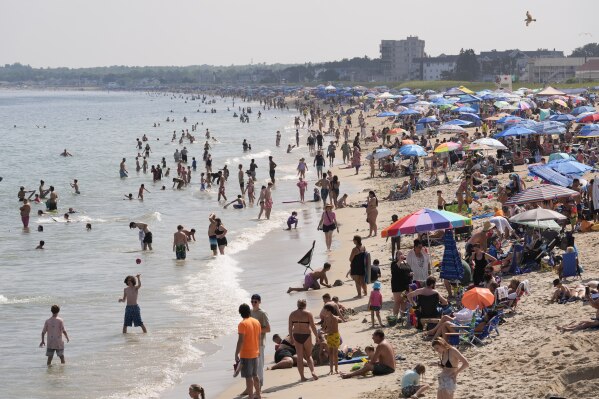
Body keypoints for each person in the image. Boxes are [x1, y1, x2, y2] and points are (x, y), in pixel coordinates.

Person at [235, 303, 262, 399]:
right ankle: (258, 394)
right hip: (255, 352)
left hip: (246, 354)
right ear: (249, 311)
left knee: (248, 377)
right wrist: (258, 350)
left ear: (240, 313)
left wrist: (236, 353)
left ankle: (250, 396)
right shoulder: (256, 322)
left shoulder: (242, 324)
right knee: (255, 375)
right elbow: (259, 338)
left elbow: (240, 340)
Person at [288, 299, 319, 381]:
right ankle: (313, 372)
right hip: (306, 335)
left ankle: (302, 377)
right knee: (309, 356)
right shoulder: (308, 313)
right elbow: (313, 326)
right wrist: (317, 336)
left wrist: (291, 338)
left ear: (297, 305)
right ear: (305, 305)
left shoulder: (292, 314)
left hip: (296, 335)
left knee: (299, 357)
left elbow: (290, 328)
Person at [250, 294, 270, 389]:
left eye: (255, 301)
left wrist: (256, 330)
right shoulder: (250, 312)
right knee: (252, 366)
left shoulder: (262, 313)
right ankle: (253, 387)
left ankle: (260, 386)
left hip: (260, 343)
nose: (253, 303)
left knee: (259, 365)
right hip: (251, 343)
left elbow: (268, 329)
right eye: (252, 301)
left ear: (259, 302)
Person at [321, 304, 341, 375]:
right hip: (329, 336)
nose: (324, 311)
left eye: (325, 310)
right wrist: (322, 330)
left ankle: (336, 369)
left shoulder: (335, 318)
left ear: (329, 311)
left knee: (335, 354)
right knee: (330, 353)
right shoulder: (326, 318)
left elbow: (335, 330)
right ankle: (331, 370)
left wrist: (325, 332)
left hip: (335, 336)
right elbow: (324, 327)